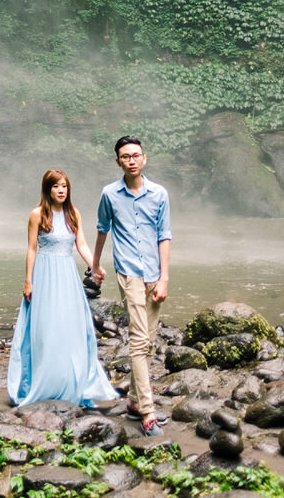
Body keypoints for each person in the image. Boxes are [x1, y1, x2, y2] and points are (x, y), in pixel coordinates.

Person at [7, 169, 118, 408]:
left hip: (67, 274)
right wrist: (28, 280)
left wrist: (95, 266)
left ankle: (70, 381)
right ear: (48, 189)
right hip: (45, 274)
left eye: (64, 186)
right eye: (56, 186)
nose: (61, 190)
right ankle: (44, 382)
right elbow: (32, 249)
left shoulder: (73, 213)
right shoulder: (37, 214)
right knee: (46, 327)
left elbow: (82, 245)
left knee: (69, 326)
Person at [91, 136, 171, 437]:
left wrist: (164, 278)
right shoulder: (110, 194)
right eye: (126, 156)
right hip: (129, 273)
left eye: (136, 155)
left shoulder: (159, 194)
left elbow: (165, 235)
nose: (132, 160)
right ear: (118, 162)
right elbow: (102, 229)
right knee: (139, 341)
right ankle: (148, 411)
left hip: (153, 273)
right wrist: (96, 265)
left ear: (144, 159)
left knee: (148, 341)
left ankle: (136, 402)